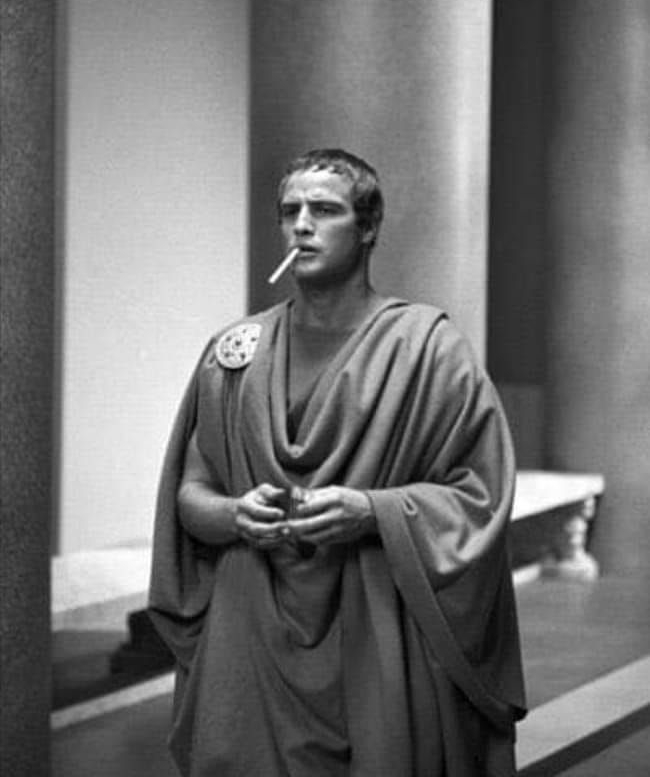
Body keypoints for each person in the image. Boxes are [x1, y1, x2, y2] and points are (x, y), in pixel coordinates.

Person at [148, 148, 526, 777]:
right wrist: (236, 515)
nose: (301, 225)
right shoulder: (234, 354)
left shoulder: (427, 350)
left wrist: (373, 511)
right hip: (252, 627)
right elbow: (193, 493)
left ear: (368, 226)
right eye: (289, 211)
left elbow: (480, 495)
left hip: (377, 624)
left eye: (324, 210)